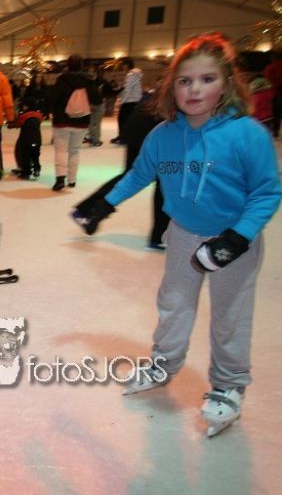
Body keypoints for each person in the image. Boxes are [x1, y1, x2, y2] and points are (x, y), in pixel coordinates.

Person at [78, 32, 281, 437]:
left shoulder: (246, 133)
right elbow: (139, 174)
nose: (194, 90)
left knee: (229, 315)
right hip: (184, 235)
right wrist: (106, 203)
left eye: (207, 79)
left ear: (226, 83)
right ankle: (164, 364)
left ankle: (228, 385)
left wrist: (237, 237)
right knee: (174, 304)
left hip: (234, 242)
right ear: (172, 86)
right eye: (185, 81)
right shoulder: (164, 134)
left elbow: (267, 192)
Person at [71, 93, 169, 249]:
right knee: (160, 180)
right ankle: (160, 235)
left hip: (143, 125)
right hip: (148, 128)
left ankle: (87, 211)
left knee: (145, 177)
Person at [48, 55, 101, 190]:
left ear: (68, 65)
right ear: (81, 66)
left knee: (61, 150)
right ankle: (72, 180)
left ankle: (60, 178)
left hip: (62, 120)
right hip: (81, 121)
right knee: (74, 151)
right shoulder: (88, 81)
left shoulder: (62, 80)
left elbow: (52, 98)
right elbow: (97, 100)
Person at [7, 96, 43, 179]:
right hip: (37, 139)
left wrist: (11, 125)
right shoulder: (39, 115)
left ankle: (26, 172)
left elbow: (17, 123)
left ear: (26, 106)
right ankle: (37, 169)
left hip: (26, 139)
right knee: (35, 155)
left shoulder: (25, 115)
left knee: (25, 155)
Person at [111, 57, 143, 144]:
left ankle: (123, 137)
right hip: (134, 101)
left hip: (129, 101)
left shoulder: (131, 75)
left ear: (127, 65)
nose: (122, 67)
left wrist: (122, 101)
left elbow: (127, 90)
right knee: (126, 120)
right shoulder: (134, 75)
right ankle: (123, 136)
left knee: (122, 119)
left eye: (123, 65)